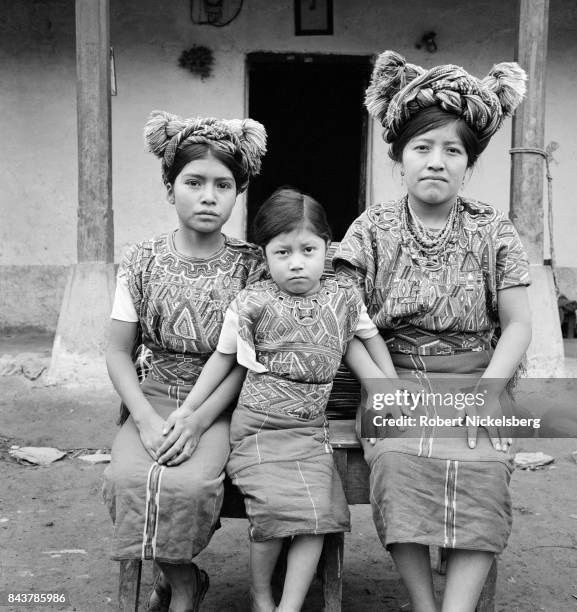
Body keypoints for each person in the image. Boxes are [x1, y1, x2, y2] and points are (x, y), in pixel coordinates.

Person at [333, 51, 533, 612]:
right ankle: (424, 603)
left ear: (468, 162)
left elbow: (518, 325)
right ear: (399, 157)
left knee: (486, 467)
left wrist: (490, 395)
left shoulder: (492, 227)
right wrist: (378, 388)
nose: (436, 161)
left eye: (453, 150)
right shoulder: (371, 228)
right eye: (422, 148)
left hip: (476, 378)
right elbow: (344, 318)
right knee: (397, 463)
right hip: (394, 377)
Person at [167, 188, 393, 612]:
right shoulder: (253, 301)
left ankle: (289, 606)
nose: (296, 262)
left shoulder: (342, 297)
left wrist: (390, 390)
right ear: (264, 254)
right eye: (282, 251)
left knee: (316, 517)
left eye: (308, 249)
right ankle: (262, 595)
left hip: (309, 432)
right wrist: (188, 409)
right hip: (259, 428)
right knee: (271, 517)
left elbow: (366, 339)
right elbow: (223, 357)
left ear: (327, 246)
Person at [103, 109, 267, 612]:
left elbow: (243, 362)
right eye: (193, 181)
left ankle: (178, 587)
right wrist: (147, 420)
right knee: (125, 480)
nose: (208, 195)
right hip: (153, 394)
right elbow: (116, 350)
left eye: (223, 184)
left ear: (238, 193)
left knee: (193, 482)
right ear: (170, 188)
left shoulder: (251, 265)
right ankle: (182, 580)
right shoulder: (143, 260)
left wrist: (196, 420)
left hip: (220, 403)